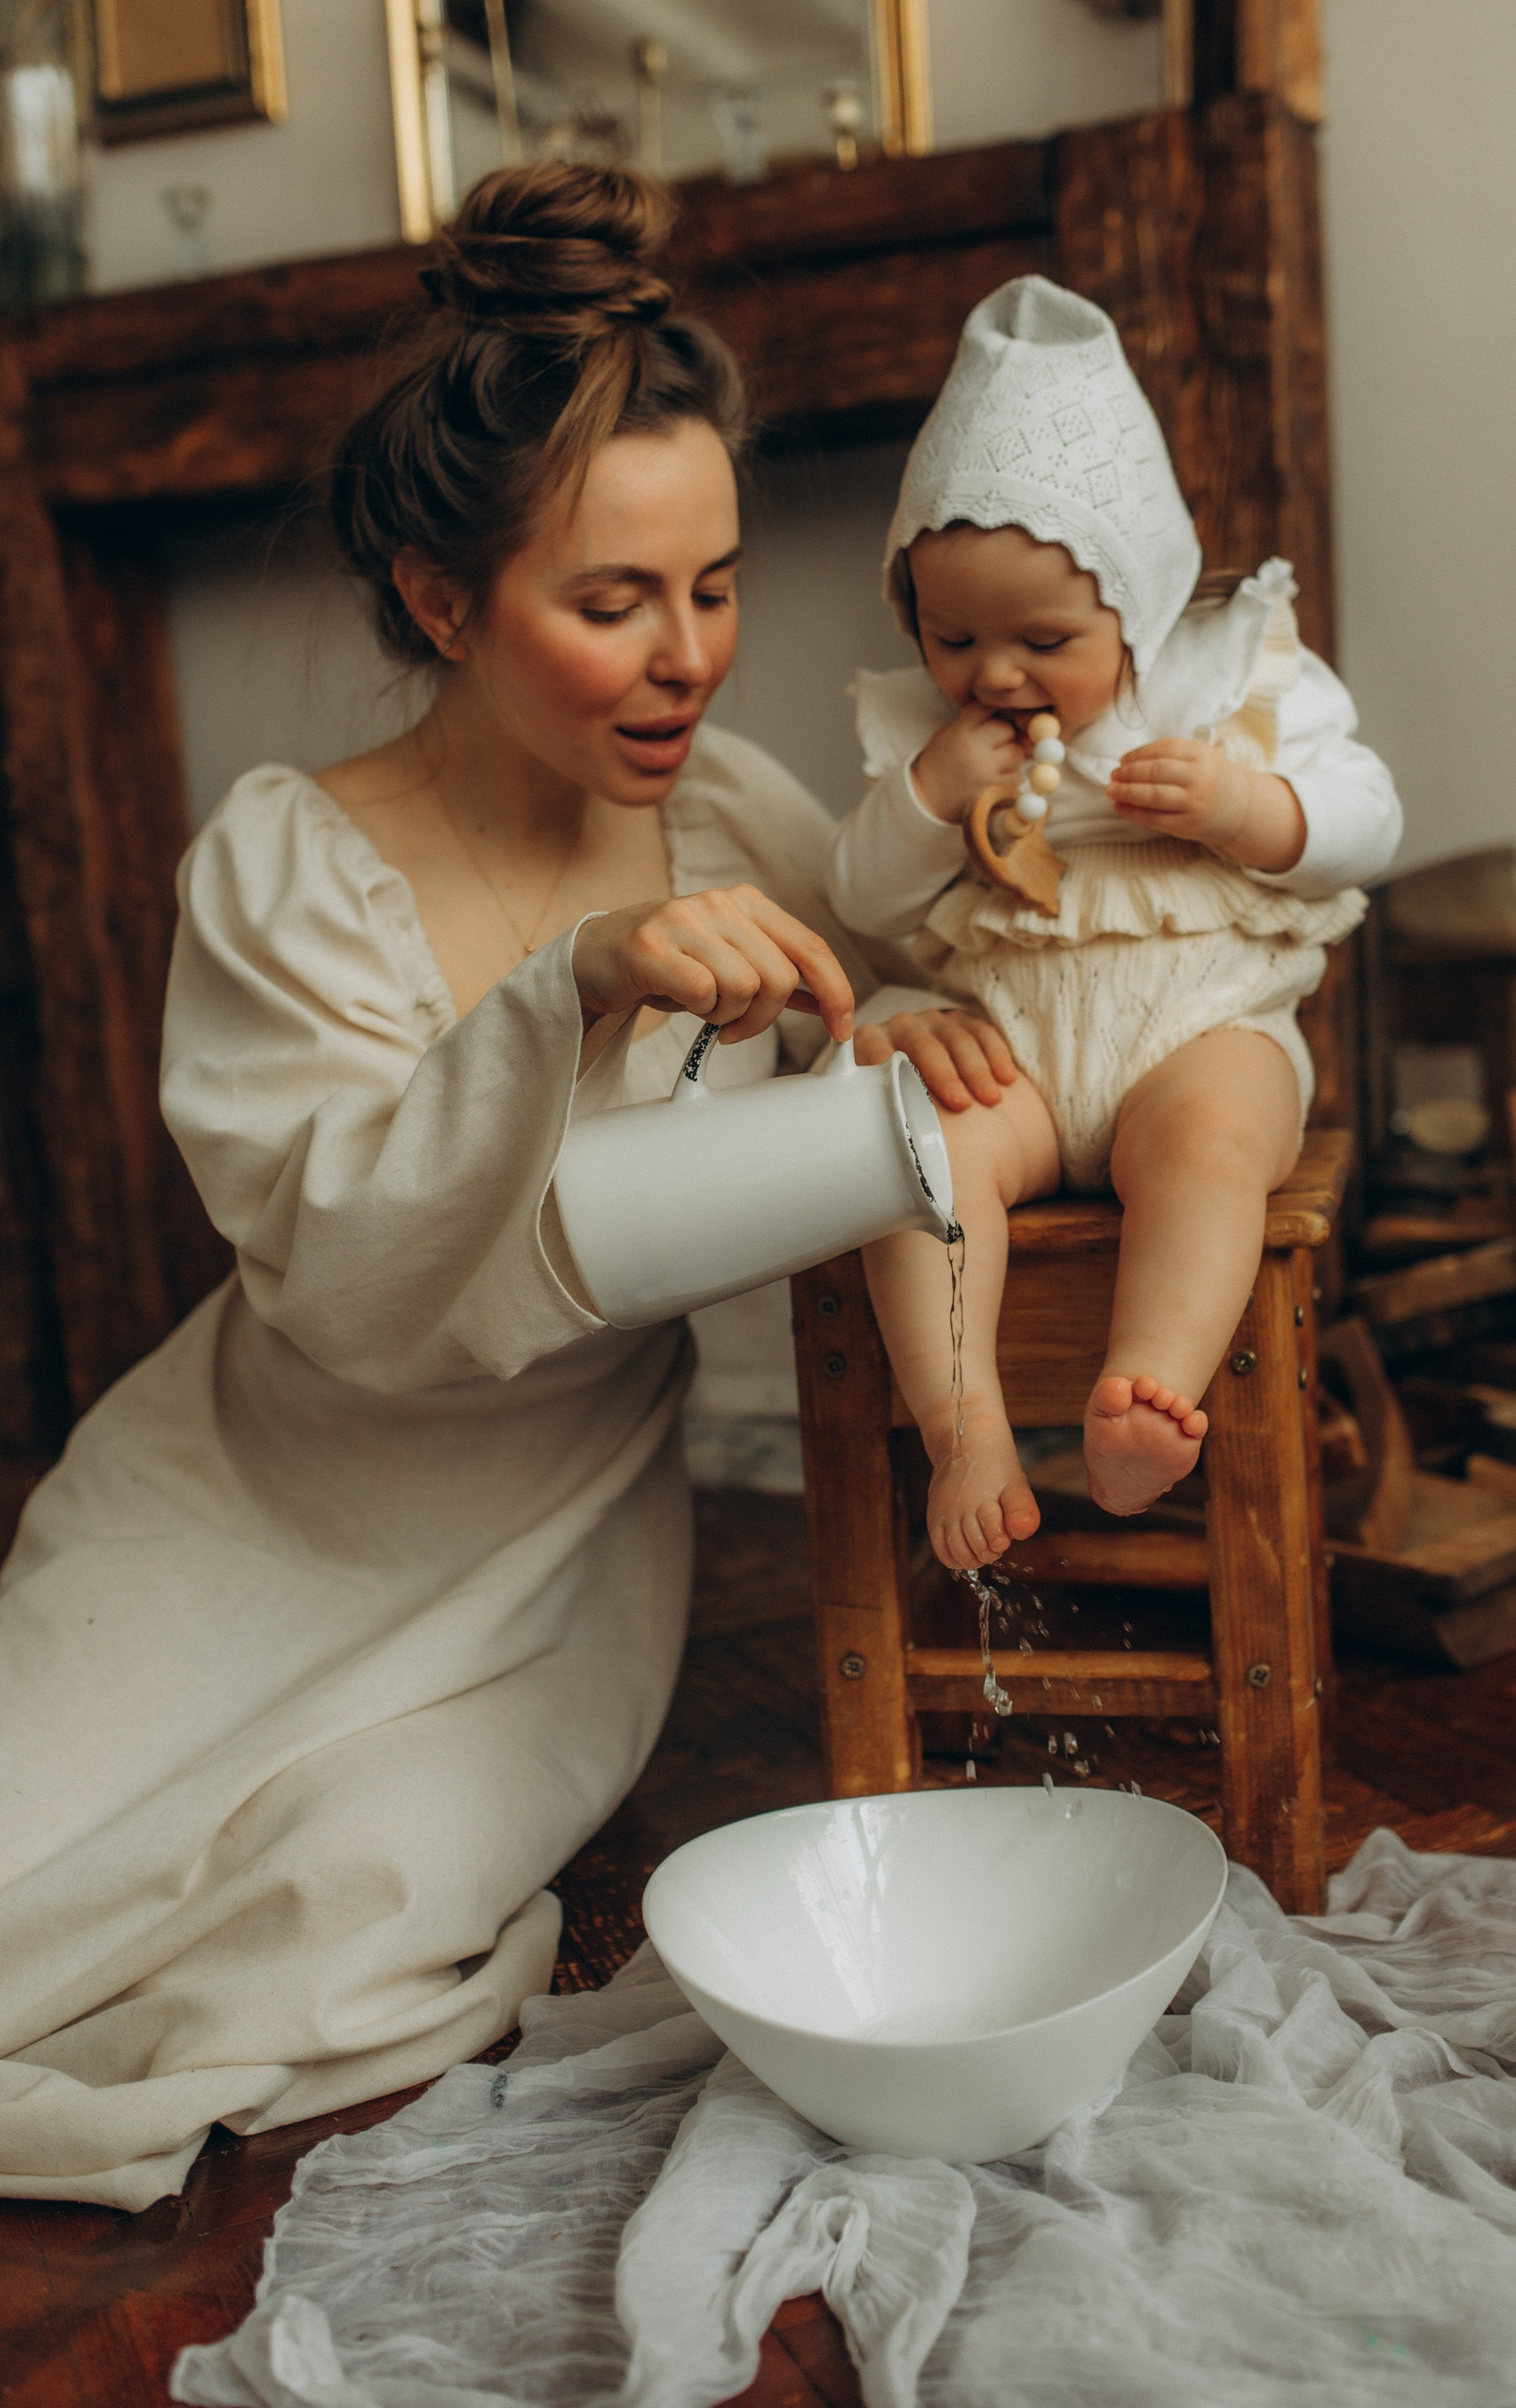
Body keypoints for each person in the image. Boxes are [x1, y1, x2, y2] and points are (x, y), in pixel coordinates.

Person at [0, 163, 995, 2212]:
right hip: (260, 1494)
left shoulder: (734, 819)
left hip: (548, 1556)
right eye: (612, 603)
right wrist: (571, 990)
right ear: (444, 601)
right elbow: (334, 1261)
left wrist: (897, 1022)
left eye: (714, 586)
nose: (688, 658)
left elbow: (878, 1003)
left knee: (347, 1927)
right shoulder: (284, 866)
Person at [829, 276, 1402, 1570]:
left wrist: (1248, 809)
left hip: (1201, 1034)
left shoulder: (1227, 687)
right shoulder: (935, 742)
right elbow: (860, 902)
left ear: (1137, 606)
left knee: (1211, 1149)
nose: (993, 673)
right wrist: (927, 798)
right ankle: (961, 1420)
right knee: (911, 1152)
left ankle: (1145, 1390)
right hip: (1018, 1057)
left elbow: (1370, 820)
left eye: (1042, 638)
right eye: (950, 637)